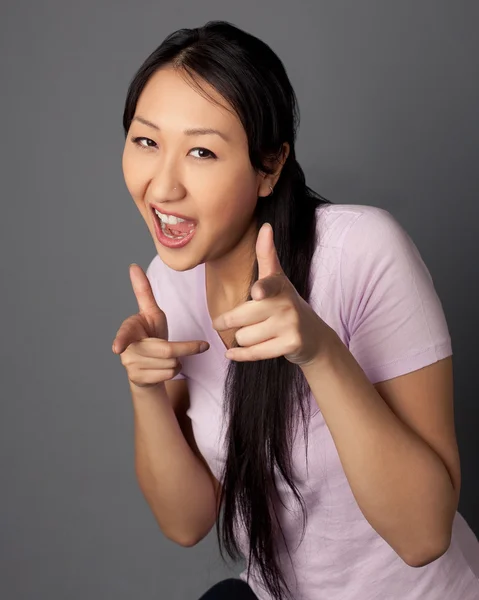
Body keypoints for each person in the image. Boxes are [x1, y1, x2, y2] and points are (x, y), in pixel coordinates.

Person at [112, 20, 479, 600]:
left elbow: (424, 536)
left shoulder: (360, 253)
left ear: (270, 167)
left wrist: (319, 351)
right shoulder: (171, 281)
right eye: (146, 141)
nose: (163, 186)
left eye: (202, 151)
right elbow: (186, 523)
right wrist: (145, 391)